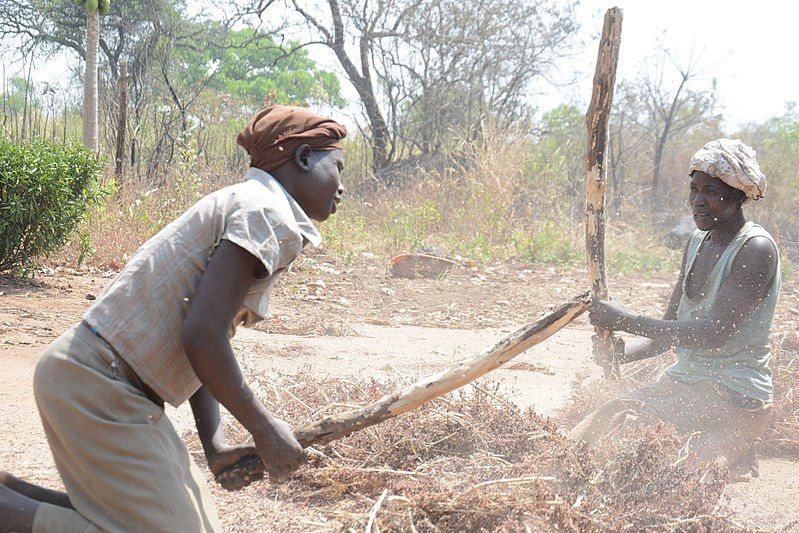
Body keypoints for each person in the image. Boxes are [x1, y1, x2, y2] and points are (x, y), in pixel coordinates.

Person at [0, 105, 347, 532]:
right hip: (98, 383)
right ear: (304, 157)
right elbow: (202, 336)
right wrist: (263, 427)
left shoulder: (253, 206)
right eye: (338, 166)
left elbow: (205, 335)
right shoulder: (264, 214)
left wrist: (215, 443)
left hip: (105, 383)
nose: (342, 186)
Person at [571, 138, 779, 475]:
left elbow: (712, 334)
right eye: (694, 189)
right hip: (685, 386)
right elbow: (669, 333)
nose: (698, 201)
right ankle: (735, 449)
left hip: (734, 397)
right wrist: (621, 353)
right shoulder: (697, 242)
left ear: (740, 195)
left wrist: (628, 320)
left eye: (711, 191)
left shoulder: (755, 249)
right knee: (600, 427)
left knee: (658, 467)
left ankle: (737, 442)